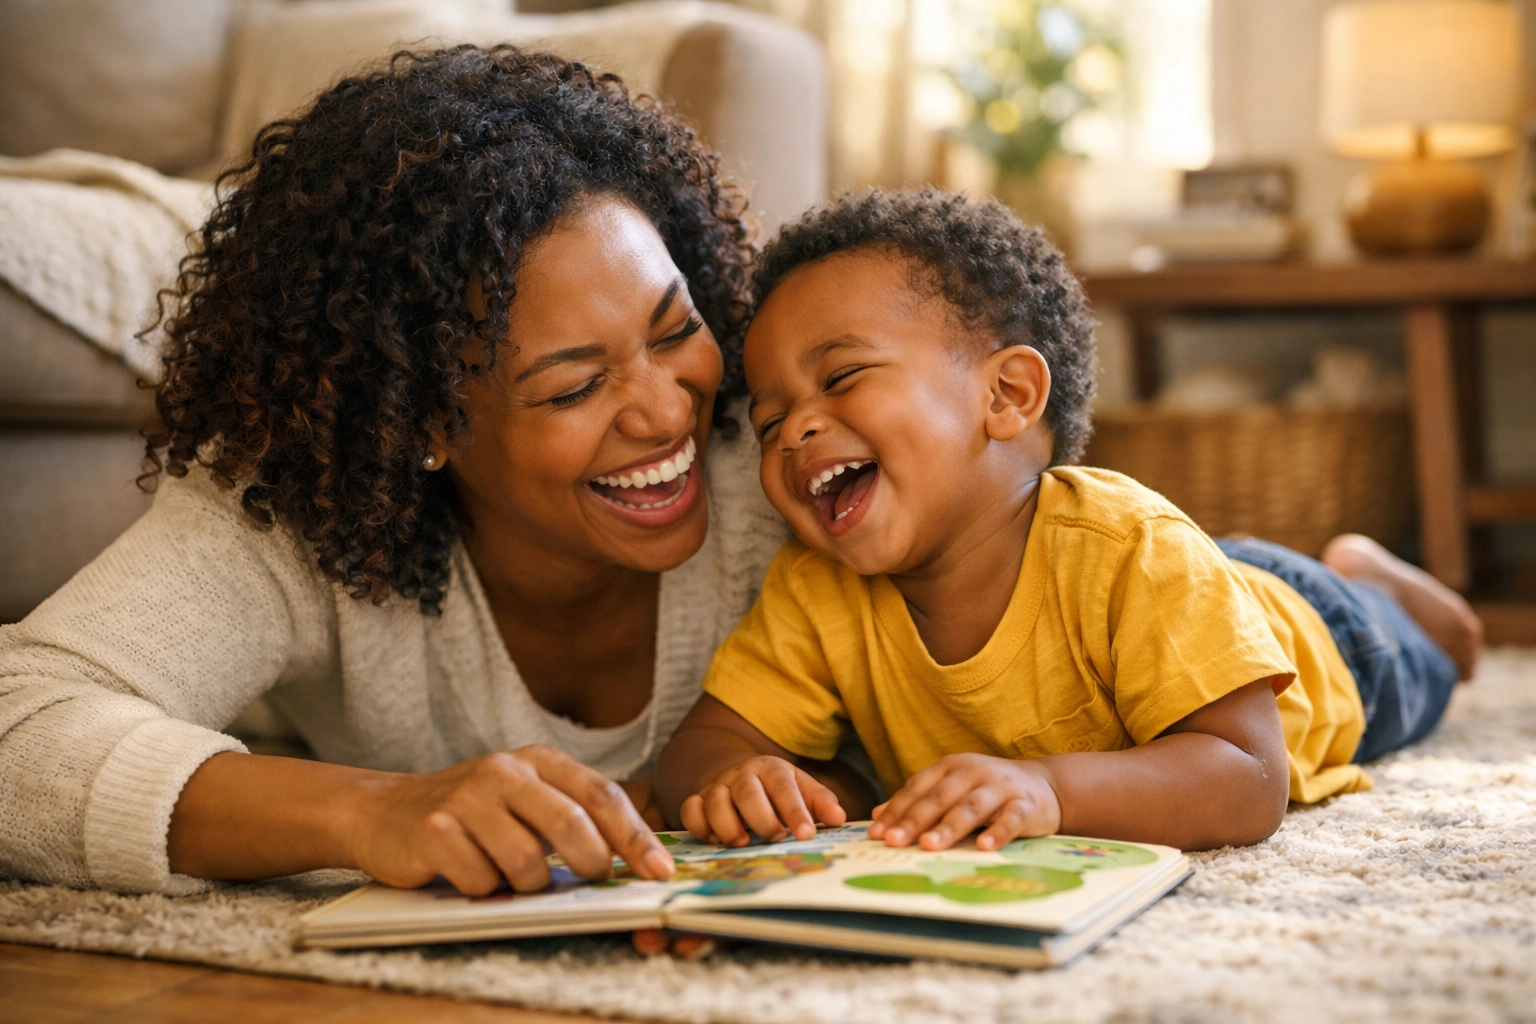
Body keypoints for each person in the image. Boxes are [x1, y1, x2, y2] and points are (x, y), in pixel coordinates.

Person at [0, 45, 874, 901]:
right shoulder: (306, 504)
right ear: (423, 423)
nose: (668, 410)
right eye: (574, 386)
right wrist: (374, 811)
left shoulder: (788, 460)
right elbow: (18, 726)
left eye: (675, 328)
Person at [654, 188, 1484, 854]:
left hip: (1322, 636)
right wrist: (737, 774)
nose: (795, 427)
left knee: (1427, 665)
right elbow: (700, 747)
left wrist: (1051, 789)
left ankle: (1385, 583)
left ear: (1008, 397)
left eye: (841, 377)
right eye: (768, 421)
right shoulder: (816, 588)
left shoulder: (1131, 548)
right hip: (1197, 593)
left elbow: (1246, 779)